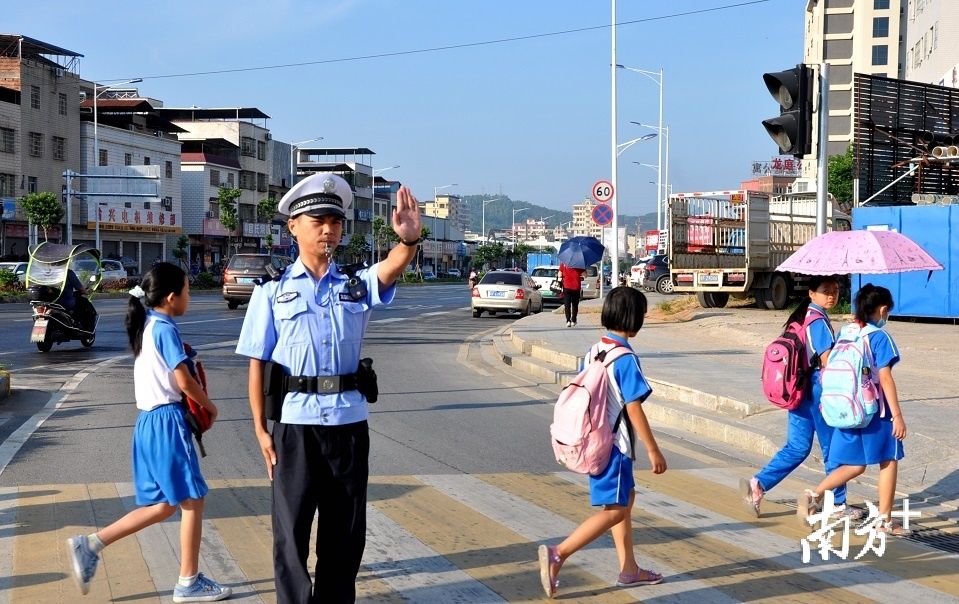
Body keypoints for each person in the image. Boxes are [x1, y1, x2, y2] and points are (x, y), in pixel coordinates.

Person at [235, 173, 422, 603]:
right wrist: (261, 430)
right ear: (293, 226)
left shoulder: (355, 285)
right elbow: (256, 363)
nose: (328, 230)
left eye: (335, 222)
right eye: (318, 221)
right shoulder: (271, 291)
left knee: (345, 534)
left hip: (348, 427)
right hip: (295, 427)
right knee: (291, 533)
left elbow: (391, 266)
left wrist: (409, 241)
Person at [65, 263, 230, 602]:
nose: (189, 298)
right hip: (167, 423)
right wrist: (210, 407)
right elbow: (184, 381)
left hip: (148, 424)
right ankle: (188, 582)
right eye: (187, 291)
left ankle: (91, 545)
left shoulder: (148, 325)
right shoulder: (165, 329)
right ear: (171, 297)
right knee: (193, 501)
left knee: (165, 505)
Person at [538, 286, 667, 598]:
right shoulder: (626, 359)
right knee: (615, 510)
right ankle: (559, 554)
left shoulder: (594, 350)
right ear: (634, 318)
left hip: (593, 440)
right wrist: (653, 450)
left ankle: (629, 569)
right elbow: (633, 408)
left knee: (624, 500)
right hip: (615, 447)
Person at [740, 276, 861, 520]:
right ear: (811, 293)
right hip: (818, 391)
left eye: (835, 290)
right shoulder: (818, 322)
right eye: (826, 291)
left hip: (799, 389)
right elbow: (827, 361)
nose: (832, 295)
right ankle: (837, 503)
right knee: (833, 448)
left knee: (797, 447)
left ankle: (759, 483)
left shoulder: (801, 317)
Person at [798, 284, 909, 535]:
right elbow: (886, 378)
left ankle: (814, 495)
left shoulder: (846, 331)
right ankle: (884, 522)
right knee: (889, 461)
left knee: (854, 464)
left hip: (848, 407)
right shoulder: (880, 337)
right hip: (876, 411)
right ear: (883, 310)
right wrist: (898, 416)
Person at [559, 262, 585, 327]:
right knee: (575, 304)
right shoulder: (579, 264)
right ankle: (573, 320)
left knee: (567, 304)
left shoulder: (564, 263)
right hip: (576, 287)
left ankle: (568, 321)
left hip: (566, 286)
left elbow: (559, 275)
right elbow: (585, 275)